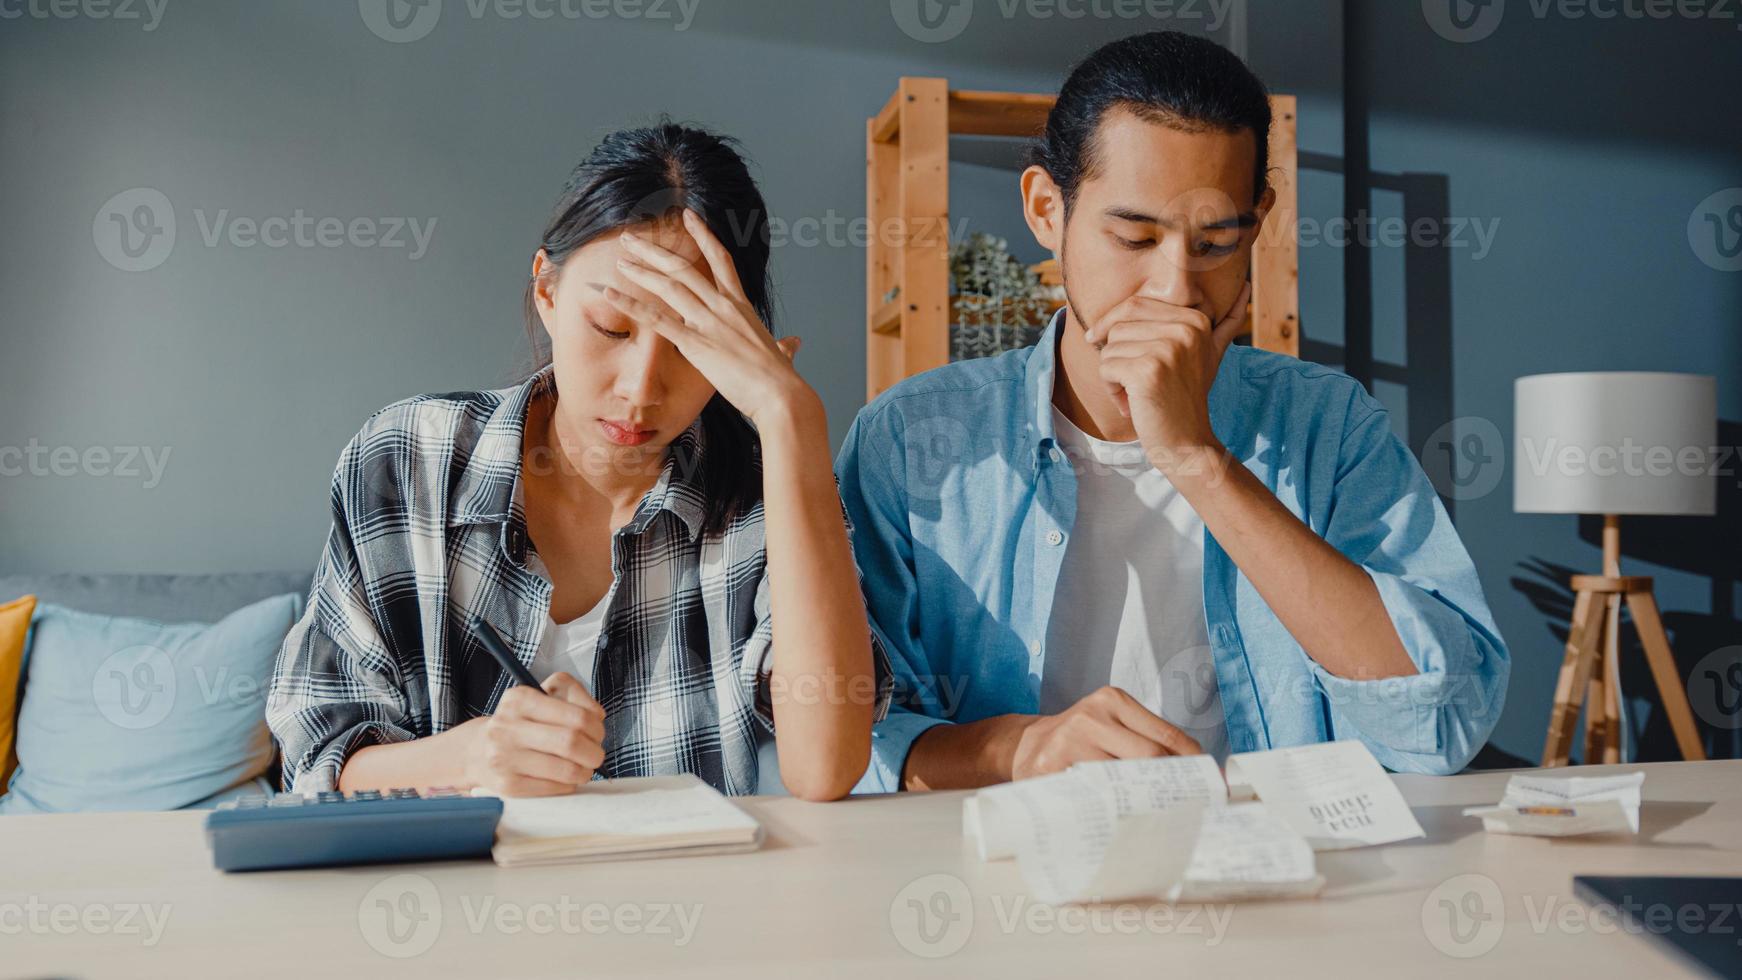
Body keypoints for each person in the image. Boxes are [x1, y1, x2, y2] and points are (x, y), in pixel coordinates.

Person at [836, 32, 1508, 792]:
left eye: (1218, 244)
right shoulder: (910, 440)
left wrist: (1198, 460)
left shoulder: (1329, 425)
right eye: (1135, 237)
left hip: (1277, 878)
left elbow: (1441, 722)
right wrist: (1018, 751)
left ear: (1260, 224)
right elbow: (846, 738)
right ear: (1045, 210)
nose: (1176, 290)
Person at [269, 121, 888, 802]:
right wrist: (471, 761)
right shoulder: (408, 460)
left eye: (689, 344)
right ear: (548, 290)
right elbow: (316, 763)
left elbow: (826, 767)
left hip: (694, 903)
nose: (641, 389)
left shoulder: (767, 495)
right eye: (610, 328)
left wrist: (791, 420)